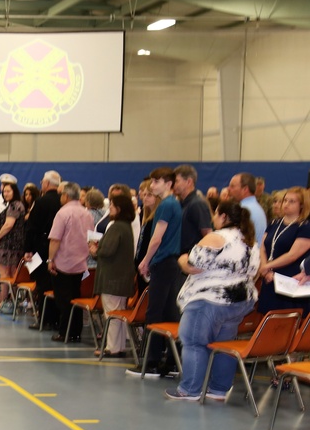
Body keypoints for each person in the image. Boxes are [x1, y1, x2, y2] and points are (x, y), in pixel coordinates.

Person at [164, 200, 259, 401]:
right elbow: (254, 270)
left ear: (223, 216)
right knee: (224, 344)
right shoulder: (249, 240)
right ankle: (218, 389)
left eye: (215, 214)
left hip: (209, 299)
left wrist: (181, 258)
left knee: (194, 341)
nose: (213, 218)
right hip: (238, 301)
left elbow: (192, 265)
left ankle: (190, 389)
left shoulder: (216, 237)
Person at [133, 167, 182, 378]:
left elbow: (157, 238)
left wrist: (145, 260)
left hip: (162, 263)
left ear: (168, 184)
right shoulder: (174, 204)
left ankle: (151, 362)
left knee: (154, 313)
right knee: (170, 313)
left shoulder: (166, 205)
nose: (152, 186)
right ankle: (171, 360)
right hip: (171, 264)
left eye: (156, 182)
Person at [90, 195, 137, 358]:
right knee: (119, 312)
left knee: (111, 313)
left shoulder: (116, 227)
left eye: (112, 205)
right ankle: (119, 346)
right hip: (122, 278)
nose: (109, 208)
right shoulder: (126, 226)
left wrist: (96, 250)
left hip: (112, 278)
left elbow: (107, 250)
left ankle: (113, 347)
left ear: (119, 209)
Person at [47, 182, 94, 343]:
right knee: (76, 297)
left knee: (63, 300)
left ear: (66, 196)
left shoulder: (63, 213)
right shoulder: (86, 213)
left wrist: (50, 259)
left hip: (64, 262)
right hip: (81, 262)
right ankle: (76, 332)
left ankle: (64, 332)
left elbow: (55, 240)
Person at [258, 187, 310, 315]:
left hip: (290, 280)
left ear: (302, 205)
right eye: (285, 200)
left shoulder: (304, 226)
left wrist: (267, 266)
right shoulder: (274, 222)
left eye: (292, 201)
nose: (286, 204)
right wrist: (265, 269)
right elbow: (263, 247)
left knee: (287, 321)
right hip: (269, 278)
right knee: (267, 319)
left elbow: (292, 255)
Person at [24, 170, 62, 326]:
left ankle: (45, 319)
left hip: (41, 247)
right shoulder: (63, 201)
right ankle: (57, 320)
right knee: (57, 285)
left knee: (42, 285)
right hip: (60, 248)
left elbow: (31, 228)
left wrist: (27, 250)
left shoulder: (40, 202)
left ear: (46, 184)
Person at [0, 179, 27, 313]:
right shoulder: (16, 205)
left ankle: (3, 302)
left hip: (8, 246)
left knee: (5, 275)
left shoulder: (14, 206)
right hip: (16, 245)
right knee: (12, 275)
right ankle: (12, 302)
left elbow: (8, 225)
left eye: (8, 191)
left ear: (15, 192)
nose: (5, 193)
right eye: (4, 191)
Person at [174, 164, 212, 257]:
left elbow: (208, 234)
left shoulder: (197, 204)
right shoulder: (181, 203)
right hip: (182, 258)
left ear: (189, 182)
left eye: (176, 181)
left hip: (192, 259)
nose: (173, 185)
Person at [227, 171, 267, 246]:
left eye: (232, 186)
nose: (228, 189)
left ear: (245, 189)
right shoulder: (256, 207)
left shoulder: (243, 210)